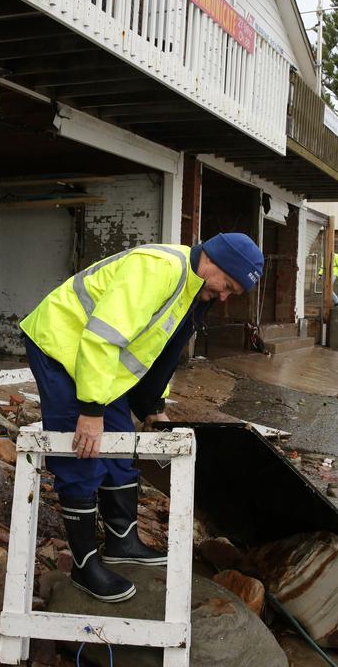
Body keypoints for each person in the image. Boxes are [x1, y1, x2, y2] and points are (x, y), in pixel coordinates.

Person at [20, 234, 264, 603]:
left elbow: (153, 352)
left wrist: (154, 406)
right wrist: (90, 409)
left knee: (120, 445)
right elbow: (102, 338)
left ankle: (122, 542)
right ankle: (84, 566)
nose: (225, 296)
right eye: (227, 285)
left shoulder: (192, 289)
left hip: (99, 363)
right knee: (85, 450)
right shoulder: (157, 270)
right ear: (212, 261)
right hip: (61, 345)